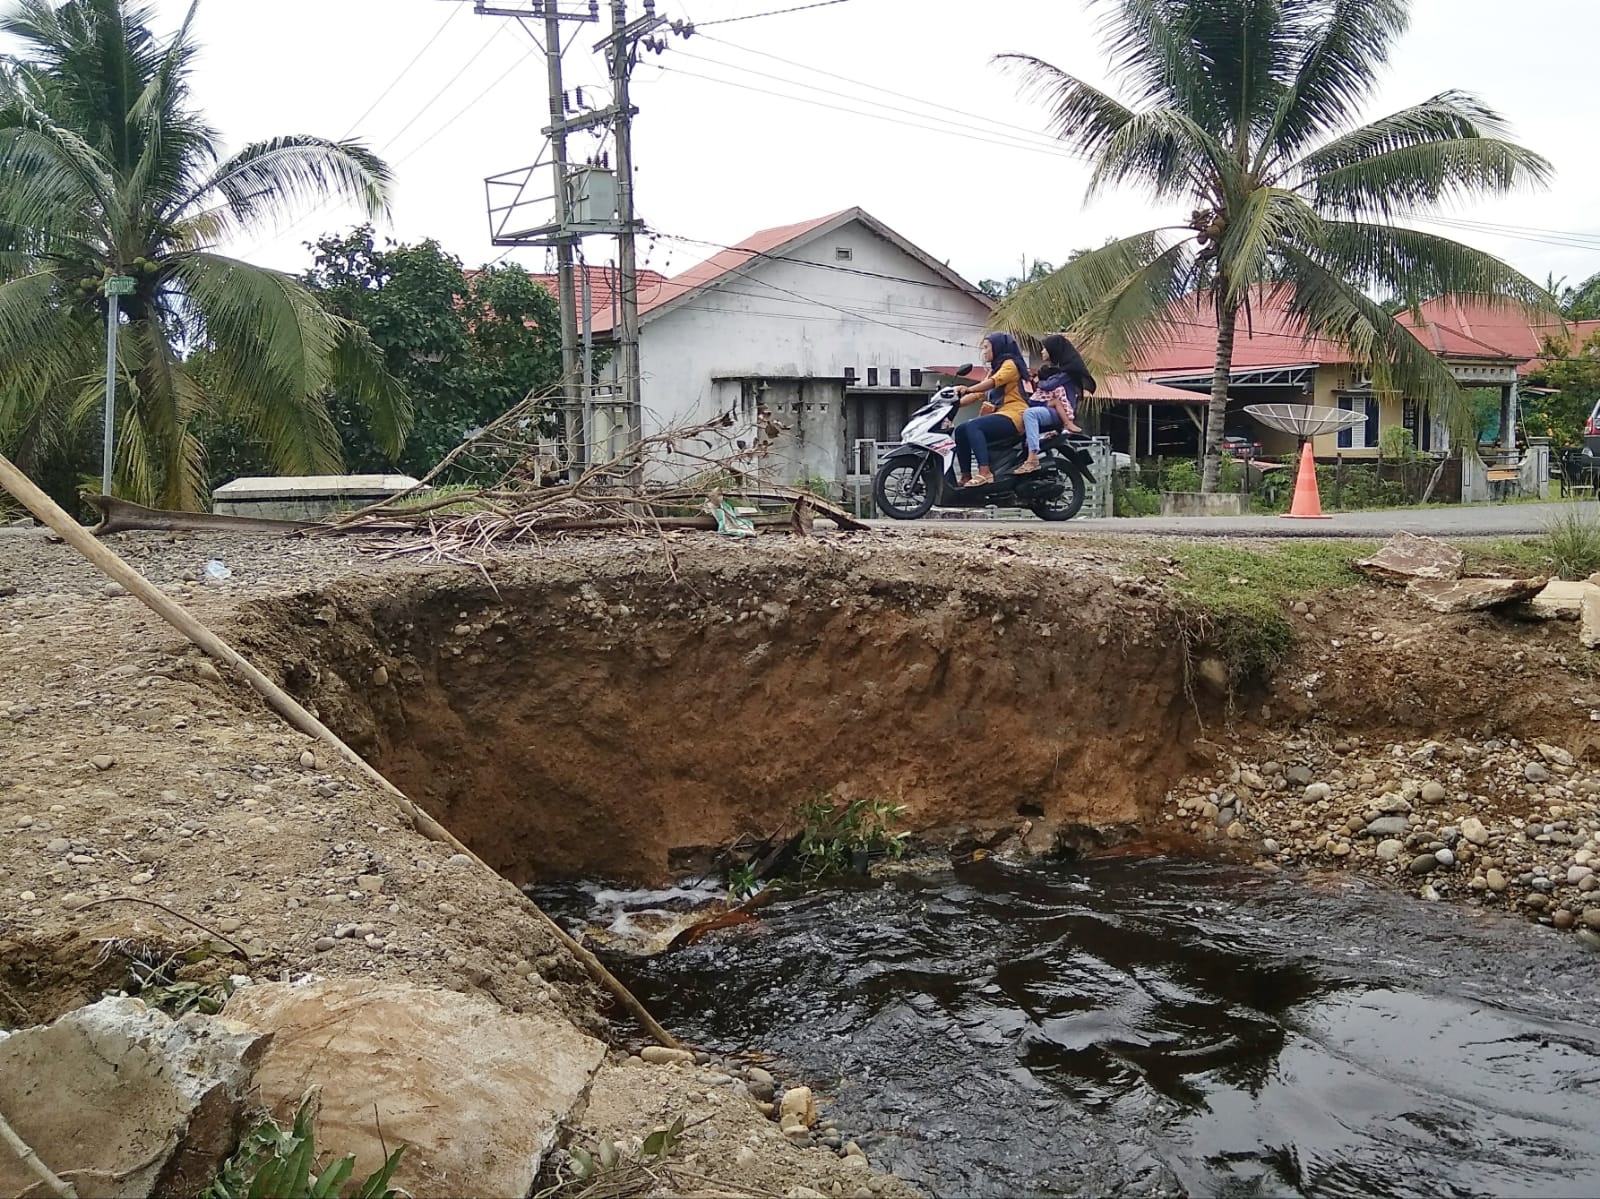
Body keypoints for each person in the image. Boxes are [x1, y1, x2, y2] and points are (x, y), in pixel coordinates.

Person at [953, 332, 1031, 487]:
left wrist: (967, 389)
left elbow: (993, 383)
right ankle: (966, 476)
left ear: (998, 347)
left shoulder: (1010, 364)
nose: (985, 351)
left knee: (974, 425)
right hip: (1002, 414)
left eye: (987, 347)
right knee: (961, 429)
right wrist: (952, 404)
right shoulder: (994, 369)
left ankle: (985, 473)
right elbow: (978, 394)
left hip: (1015, 414)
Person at [1017, 334, 1095, 475]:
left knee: (1030, 414)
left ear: (1054, 350)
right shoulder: (1058, 369)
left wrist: (1037, 382)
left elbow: (1048, 386)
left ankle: (1033, 457)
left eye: (1045, 349)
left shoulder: (1067, 372)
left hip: (1060, 411)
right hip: (1049, 407)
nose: (1042, 352)